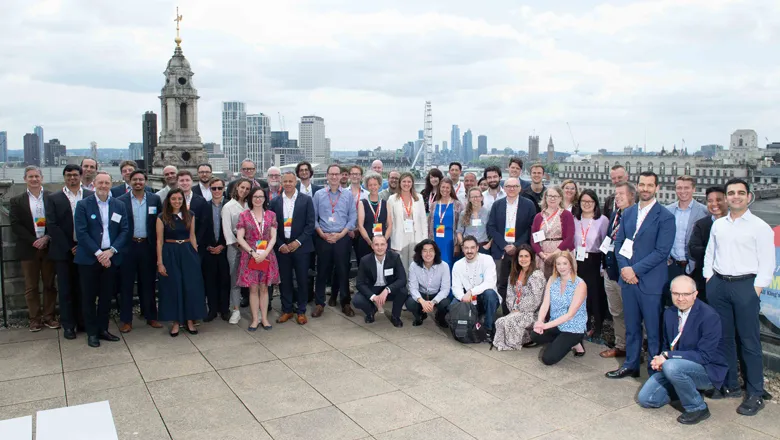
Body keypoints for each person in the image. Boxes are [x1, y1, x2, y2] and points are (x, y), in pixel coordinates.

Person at [703, 178, 775, 415]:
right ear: (726, 197)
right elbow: (710, 252)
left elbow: (768, 263)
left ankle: (755, 392)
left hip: (746, 286)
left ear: (749, 196)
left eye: (740, 193)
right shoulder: (719, 225)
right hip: (719, 285)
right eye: (731, 193)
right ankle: (730, 385)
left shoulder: (760, 227)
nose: (735, 196)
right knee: (724, 338)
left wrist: (756, 289)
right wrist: (709, 278)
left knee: (749, 341)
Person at [607, 171, 675, 379]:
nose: (645, 188)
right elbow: (618, 244)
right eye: (642, 184)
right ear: (637, 186)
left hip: (650, 282)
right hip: (628, 281)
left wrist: (634, 270)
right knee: (632, 326)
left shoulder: (665, 217)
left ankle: (655, 372)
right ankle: (631, 364)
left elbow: (662, 252)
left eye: (650, 185)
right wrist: (625, 269)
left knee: (653, 330)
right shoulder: (627, 213)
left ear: (657, 188)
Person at [637, 275, 728, 425]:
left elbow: (704, 356)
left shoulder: (709, 316)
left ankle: (697, 407)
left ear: (695, 294)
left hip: (707, 370)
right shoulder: (669, 313)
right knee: (646, 398)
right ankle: (685, 389)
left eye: (685, 294)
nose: (680, 298)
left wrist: (668, 357)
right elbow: (667, 344)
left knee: (671, 366)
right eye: (676, 294)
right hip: (677, 366)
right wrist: (661, 358)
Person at [74, 171, 129, 347]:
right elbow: (81, 233)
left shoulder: (119, 205)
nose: (103, 186)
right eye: (100, 183)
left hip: (110, 257)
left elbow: (124, 230)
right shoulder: (83, 205)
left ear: (111, 185)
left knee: (106, 297)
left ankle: (103, 329)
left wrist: (111, 252)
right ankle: (92, 333)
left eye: (107, 183)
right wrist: (99, 253)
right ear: (94, 185)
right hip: (90, 259)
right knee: (89, 297)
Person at [9, 166, 58, 332]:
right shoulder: (16, 200)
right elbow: (16, 225)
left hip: (48, 246)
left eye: (37, 176)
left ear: (41, 178)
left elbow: (56, 221)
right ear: (25, 179)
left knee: (50, 284)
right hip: (29, 248)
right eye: (30, 177)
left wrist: (46, 238)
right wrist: (34, 241)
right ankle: (34, 319)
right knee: (31, 286)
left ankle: (49, 316)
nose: (34, 179)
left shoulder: (52, 197)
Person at [46, 165, 92, 339]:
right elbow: (52, 225)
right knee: (65, 290)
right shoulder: (54, 197)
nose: (72, 178)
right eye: (68, 175)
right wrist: (69, 247)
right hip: (63, 251)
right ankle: (68, 325)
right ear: (64, 177)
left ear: (81, 176)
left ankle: (82, 322)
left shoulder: (89, 195)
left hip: (85, 249)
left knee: (83, 288)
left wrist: (82, 245)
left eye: (75, 175)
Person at [116, 170, 163, 333]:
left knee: (148, 283)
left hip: (147, 246)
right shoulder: (120, 201)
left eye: (141, 180)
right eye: (134, 179)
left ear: (146, 181)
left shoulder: (154, 199)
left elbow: (159, 223)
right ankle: (126, 320)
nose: (138, 182)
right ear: (129, 181)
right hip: (128, 247)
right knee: (126, 285)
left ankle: (151, 316)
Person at [156, 188, 206, 336]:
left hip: (187, 251)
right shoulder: (162, 217)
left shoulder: (190, 215)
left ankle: (190, 320)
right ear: (168, 201)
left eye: (179, 199)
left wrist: (195, 255)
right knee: (174, 286)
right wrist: (160, 262)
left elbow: (193, 236)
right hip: (170, 252)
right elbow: (159, 241)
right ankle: (176, 322)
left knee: (190, 286)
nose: (177, 201)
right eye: (174, 199)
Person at [312, 164, 358, 318]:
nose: (334, 177)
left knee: (343, 271)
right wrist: (322, 234)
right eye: (331, 174)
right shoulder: (318, 195)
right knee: (322, 271)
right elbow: (313, 218)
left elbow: (352, 218)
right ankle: (319, 303)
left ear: (341, 176)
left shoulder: (348, 195)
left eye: (336, 174)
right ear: (327, 176)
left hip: (342, 238)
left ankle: (345, 302)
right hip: (323, 238)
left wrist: (340, 234)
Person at [270, 171, 315, 325]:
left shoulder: (306, 200)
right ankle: (287, 310)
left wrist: (298, 242)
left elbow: (310, 225)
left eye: (290, 181)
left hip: (301, 247)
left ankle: (301, 311)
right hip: (282, 248)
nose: (288, 184)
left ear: (296, 182)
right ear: (282, 183)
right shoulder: (275, 202)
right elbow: (272, 226)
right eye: (285, 181)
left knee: (302, 280)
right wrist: (281, 244)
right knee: (285, 280)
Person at [486, 177, 536, 315]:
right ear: (504, 188)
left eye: (515, 186)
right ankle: (506, 312)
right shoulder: (497, 205)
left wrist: (517, 245)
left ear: (520, 188)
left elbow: (531, 228)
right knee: (502, 284)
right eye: (508, 186)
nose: (512, 189)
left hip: (521, 252)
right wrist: (504, 245)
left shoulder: (529, 204)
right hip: (501, 250)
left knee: (520, 283)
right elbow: (491, 227)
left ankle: (520, 313)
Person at [529, 251, 587, 365]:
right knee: (535, 335)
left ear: (571, 264)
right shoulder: (552, 279)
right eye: (558, 264)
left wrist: (545, 326)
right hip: (556, 324)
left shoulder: (580, 284)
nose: (561, 267)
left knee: (548, 359)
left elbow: (570, 315)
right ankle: (564, 342)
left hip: (573, 327)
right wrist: (540, 321)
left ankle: (575, 341)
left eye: (565, 263)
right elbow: (545, 303)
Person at [599, 181, 636, 359]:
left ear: (632, 196)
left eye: (622, 194)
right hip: (609, 270)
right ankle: (621, 346)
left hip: (626, 274)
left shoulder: (636, 216)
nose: (618, 197)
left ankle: (635, 349)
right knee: (616, 312)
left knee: (632, 313)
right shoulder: (615, 214)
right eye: (616, 194)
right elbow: (608, 240)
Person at [235, 187, 280, 331]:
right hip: (250, 256)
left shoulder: (271, 215)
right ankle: (255, 319)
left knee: (265, 288)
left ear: (265, 198)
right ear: (250, 198)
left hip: (267, 255)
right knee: (253, 289)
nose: (258, 199)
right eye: (255, 196)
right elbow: (240, 237)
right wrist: (251, 251)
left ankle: (265, 319)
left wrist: (266, 252)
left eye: (261, 196)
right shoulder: (244, 215)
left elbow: (273, 236)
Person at [664, 176, 708, 306]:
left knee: (694, 305)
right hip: (672, 265)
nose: (682, 191)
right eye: (679, 188)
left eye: (686, 187)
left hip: (694, 267)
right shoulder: (668, 211)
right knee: (672, 303)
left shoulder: (704, 211)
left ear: (693, 189)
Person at [492, 244, 546, 351]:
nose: (523, 259)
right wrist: (513, 309)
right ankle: (507, 342)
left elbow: (535, 300)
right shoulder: (514, 274)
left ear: (531, 258)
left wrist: (519, 309)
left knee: (509, 322)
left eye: (526, 256)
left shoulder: (536, 275)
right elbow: (509, 295)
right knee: (500, 322)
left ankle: (520, 341)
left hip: (531, 313)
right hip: (516, 310)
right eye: (521, 256)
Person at [573, 189, 609, 343]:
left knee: (595, 295)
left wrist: (603, 265)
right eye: (583, 201)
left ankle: (598, 328)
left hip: (594, 260)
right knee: (579, 295)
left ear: (595, 203)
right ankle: (583, 325)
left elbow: (606, 244)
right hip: (577, 261)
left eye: (590, 201)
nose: (587, 204)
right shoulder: (574, 219)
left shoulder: (602, 220)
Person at [451, 235, 501, 341]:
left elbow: (490, 283)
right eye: (466, 248)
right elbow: (456, 287)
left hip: (485, 300)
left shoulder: (487, 259)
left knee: (490, 293)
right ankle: (462, 328)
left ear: (477, 248)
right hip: (469, 301)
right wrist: (462, 298)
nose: (469, 251)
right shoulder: (457, 265)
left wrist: (471, 292)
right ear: (463, 249)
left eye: (472, 247)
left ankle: (488, 329)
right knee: (453, 304)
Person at [353, 235, 407, 327]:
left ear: (386, 245)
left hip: (389, 288)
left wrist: (387, 290)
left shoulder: (395, 257)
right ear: (372, 246)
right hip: (373, 288)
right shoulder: (365, 260)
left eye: (382, 244)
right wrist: (374, 297)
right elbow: (359, 283)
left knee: (403, 291)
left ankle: (395, 316)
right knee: (357, 300)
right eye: (376, 245)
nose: (380, 247)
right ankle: (371, 311)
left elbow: (402, 279)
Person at [687, 186, 727, 302]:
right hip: (704, 281)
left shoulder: (738, 224)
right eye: (710, 201)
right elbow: (693, 250)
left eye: (718, 200)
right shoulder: (701, 224)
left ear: (726, 200)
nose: (714, 204)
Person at [200, 177, 231, 322]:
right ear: (210, 189)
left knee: (225, 280)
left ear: (224, 188)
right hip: (209, 250)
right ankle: (212, 309)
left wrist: (223, 245)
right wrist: (207, 245)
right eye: (214, 188)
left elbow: (234, 228)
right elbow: (200, 229)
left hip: (226, 249)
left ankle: (224, 309)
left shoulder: (229, 205)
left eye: (219, 188)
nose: (217, 191)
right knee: (210, 281)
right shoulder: (204, 206)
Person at [222, 178, 252, 324]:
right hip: (235, 248)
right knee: (235, 280)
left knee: (254, 279)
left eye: (247, 188)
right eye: (242, 187)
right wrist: (240, 245)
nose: (244, 191)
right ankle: (235, 310)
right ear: (236, 187)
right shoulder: (228, 207)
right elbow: (227, 232)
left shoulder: (251, 205)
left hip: (252, 248)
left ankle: (255, 309)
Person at [530, 186, 575, 279]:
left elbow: (569, 238)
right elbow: (533, 240)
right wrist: (543, 255)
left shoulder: (566, 214)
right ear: (545, 198)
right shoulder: (538, 217)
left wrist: (554, 254)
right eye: (549, 196)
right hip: (542, 256)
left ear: (560, 198)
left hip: (561, 254)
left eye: (555, 196)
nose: (552, 198)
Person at [405, 239, 451, 327]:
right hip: (421, 294)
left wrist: (433, 302)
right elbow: (413, 288)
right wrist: (422, 302)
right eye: (425, 251)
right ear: (420, 253)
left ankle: (440, 317)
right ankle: (420, 316)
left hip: (436, 294)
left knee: (446, 303)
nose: (428, 254)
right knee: (410, 302)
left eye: (431, 251)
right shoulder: (414, 266)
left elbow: (445, 289)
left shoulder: (444, 266)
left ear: (435, 252)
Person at [387, 172, 428, 270]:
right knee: (401, 266)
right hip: (399, 237)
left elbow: (423, 220)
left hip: (415, 236)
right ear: (400, 183)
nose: (406, 184)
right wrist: (391, 241)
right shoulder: (392, 199)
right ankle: (403, 285)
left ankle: (413, 286)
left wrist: (424, 240)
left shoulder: (419, 198)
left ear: (412, 183)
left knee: (415, 266)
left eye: (409, 181)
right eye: (404, 181)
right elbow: (390, 222)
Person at [428, 178, 462, 268]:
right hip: (436, 240)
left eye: (447, 187)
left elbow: (461, 226)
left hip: (450, 241)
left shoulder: (457, 204)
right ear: (439, 188)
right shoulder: (433, 205)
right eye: (443, 187)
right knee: (435, 264)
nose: (445, 190)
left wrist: (457, 244)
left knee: (449, 264)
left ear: (451, 189)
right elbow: (429, 225)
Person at [357, 173, 392, 262]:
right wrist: (370, 242)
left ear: (379, 185)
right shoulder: (362, 203)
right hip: (367, 241)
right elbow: (360, 226)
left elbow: (390, 224)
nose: (373, 187)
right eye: (370, 185)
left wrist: (383, 241)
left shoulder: (385, 203)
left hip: (383, 242)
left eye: (375, 184)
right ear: (367, 186)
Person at [456, 187, 491, 255]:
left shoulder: (488, 213)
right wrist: (463, 246)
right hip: (468, 248)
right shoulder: (464, 213)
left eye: (477, 196)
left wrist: (487, 246)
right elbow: (459, 232)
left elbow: (493, 231)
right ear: (469, 199)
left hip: (483, 246)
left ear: (482, 197)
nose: (475, 199)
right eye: (472, 197)